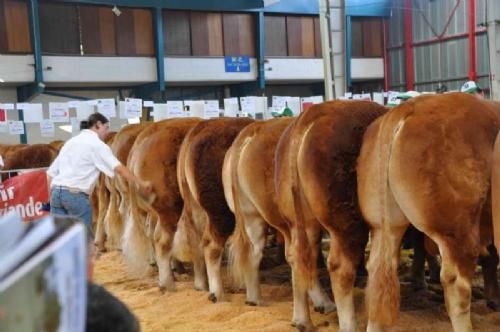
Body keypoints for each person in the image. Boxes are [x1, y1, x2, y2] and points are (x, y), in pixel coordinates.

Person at [47, 112, 152, 232]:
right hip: (75, 196)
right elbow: (118, 168)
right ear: (98, 125)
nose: (107, 132)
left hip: (56, 195)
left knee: (60, 237)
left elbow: (49, 174)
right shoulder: (97, 145)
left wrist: (50, 198)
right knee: (83, 238)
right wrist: (141, 182)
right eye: (106, 128)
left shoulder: (70, 143)